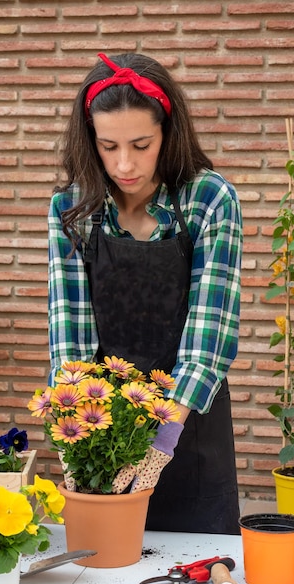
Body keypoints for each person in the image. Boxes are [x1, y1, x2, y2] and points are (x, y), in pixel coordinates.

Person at [48, 52, 243, 534]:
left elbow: (209, 333)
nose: (124, 164)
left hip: (190, 418)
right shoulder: (73, 208)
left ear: (167, 134)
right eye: (107, 145)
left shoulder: (208, 199)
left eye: (141, 144)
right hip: (105, 416)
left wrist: (163, 437)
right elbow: (69, 333)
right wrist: (78, 433)